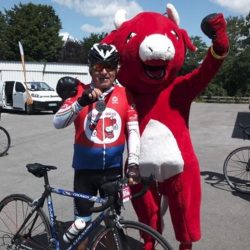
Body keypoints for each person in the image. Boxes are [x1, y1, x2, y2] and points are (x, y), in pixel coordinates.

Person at [53, 43, 140, 249]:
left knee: (113, 222)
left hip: (112, 172)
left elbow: (133, 131)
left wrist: (134, 162)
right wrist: (80, 102)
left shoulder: (126, 94)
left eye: (109, 66)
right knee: (82, 224)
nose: (103, 71)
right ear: (90, 67)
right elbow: (57, 122)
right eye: (98, 66)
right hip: (85, 172)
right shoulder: (79, 91)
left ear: (117, 68)